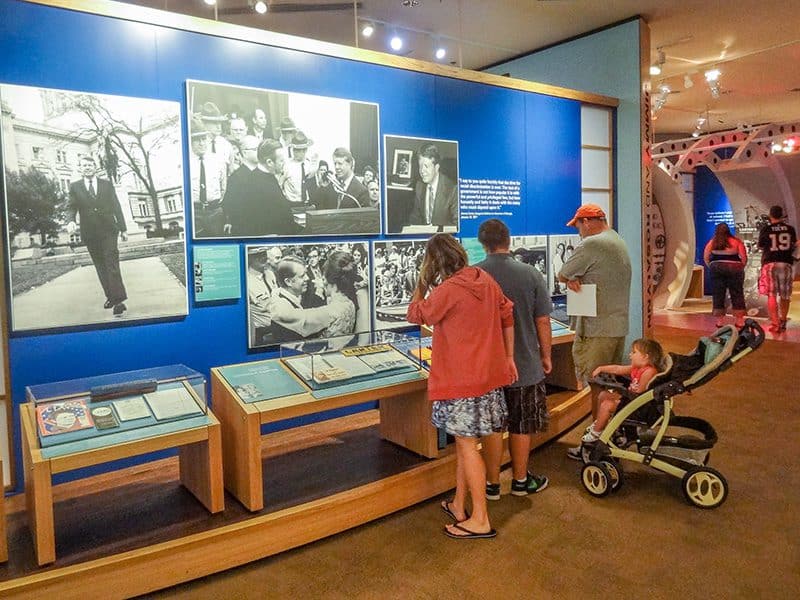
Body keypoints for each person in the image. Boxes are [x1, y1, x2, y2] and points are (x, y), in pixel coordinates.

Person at [407, 234, 516, 539]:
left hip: (461, 381)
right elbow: (508, 313)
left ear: (434, 262)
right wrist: (508, 357)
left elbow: (416, 313)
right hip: (487, 379)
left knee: (467, 447)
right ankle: (459, 504)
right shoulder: (484, 278)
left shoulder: (448, 290)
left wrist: (422, 280)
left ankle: (480, 518)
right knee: (466, 445)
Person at [476, 219, 552, 498]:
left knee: (492, 426)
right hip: (525, 363)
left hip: (486, 369)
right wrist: (546, 356)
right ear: (508, 240)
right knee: (522, 424)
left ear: (482, 243)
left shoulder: (474, 275)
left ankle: (492, 484)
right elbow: (543, 320)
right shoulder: (531, 274)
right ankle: (520, 481)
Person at [557, 204, 631, 461]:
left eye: (578, 225)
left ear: (587, 222)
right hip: (615, 326)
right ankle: (612, 435)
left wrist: (571, 278)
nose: (578, 232)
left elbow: (563, 274)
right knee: (609, 384)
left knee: (597, 385)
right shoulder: (616, 240)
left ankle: (595, 444)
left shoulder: (592, 244)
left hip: (596, 328)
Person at [66, 155, 129, 317]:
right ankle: (111, 297)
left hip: (109, 230)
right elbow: (71, 207)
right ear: (80, 168)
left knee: (111, 263)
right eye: (84, 165)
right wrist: (71, 220)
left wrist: (123, 229)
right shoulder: (75, 187)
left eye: (90, 165)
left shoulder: (106, 185)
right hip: (90, 233)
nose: (87, 167)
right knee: (101, 266)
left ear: (95, 167)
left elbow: (116, 206)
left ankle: (118, 301)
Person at [582, 338, 665, 443]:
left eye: (634, 352)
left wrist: (621, 393)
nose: (630, 355)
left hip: (638, 407)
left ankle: (596, 433)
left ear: (645, 356)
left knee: (607, 405)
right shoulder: (637, 368)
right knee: (603, 395)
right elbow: (617, 369)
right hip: (632, 400)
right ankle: (600, 424)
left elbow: (640, 393)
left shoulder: (649, 372)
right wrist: (601, 368)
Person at [757, 205, 798, 333]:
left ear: (770, 215)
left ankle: (775, 324)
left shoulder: (766, 229)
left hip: (770, 263)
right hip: (785, 263)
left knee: (772, 294)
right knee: (785, 295)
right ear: (782, 215)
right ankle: (783, 320)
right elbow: (795, 244)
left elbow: (761, 246)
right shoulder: (790, 229)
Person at [703, 222, 747, 328]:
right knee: (737, 293)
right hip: (735, 268)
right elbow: (744, 257)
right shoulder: (736, 241)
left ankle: (720, 321)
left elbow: (706, 256)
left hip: (716, 268)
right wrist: (740, 266)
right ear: (728, 230)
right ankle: (739, 320)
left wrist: (712, 266)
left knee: (718, 294)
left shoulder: (713, 242)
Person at [252, 139, 300, 235]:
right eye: (281, 161)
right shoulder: (259, 184)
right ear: (269, 162)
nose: (284, 164)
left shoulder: (265, 176)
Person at [189, 118, 227, 237]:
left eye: (203, 139)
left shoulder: (218, 161)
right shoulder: (185, 163)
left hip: (215, 212)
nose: (201, 143)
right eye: (196, 140)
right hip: (195, 213)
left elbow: (223, 187)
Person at [408, 143, 458, 230]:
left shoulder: (452, 189)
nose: (422, 171)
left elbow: (457, 224)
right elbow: (415, 218)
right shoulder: (419, 186)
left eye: (426, 166)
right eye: (420, 166)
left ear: (436, 167)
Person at [222, 135, 260, 236]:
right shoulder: (236, 177)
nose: (260, 152)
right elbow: (230, 204)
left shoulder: (264, 173)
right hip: (246, 229)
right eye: (256, 149)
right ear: (244, 152)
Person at [282, 131, 316, 205]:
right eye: (294, 149)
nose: (295, 152)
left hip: (307, 204)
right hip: (292, 205)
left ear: (305, 150)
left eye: (298, 150)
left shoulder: (310, 165)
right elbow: (279, 184)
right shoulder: (287, 166)